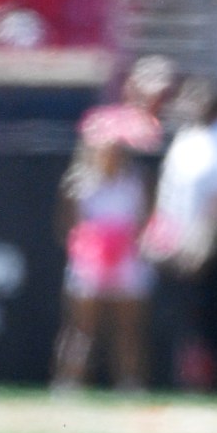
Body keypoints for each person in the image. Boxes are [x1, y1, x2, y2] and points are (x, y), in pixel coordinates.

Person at [142, 81, 217, 390]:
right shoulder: (188, 136)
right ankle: (179, 379)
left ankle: (214, 382)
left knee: (209, 315)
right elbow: (169, 191)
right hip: (176, 238)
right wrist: (158, 230)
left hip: (212, 241)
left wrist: (203, 240)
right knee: (177, 315)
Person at [52, 134, 151, 393]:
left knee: (127, 330)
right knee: (82, 329)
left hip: (126, 261)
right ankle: (69, 383)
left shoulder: (134, 184)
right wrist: (94, 245)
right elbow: (68, 227)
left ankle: (130, 384)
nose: (110, 157)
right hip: (90, 263)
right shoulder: (80, 185)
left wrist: (120, 244)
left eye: (116, 152)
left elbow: (142, 222)